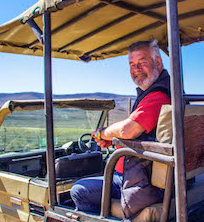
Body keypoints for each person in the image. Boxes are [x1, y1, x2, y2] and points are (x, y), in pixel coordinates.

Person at [70, 40, 171, 220]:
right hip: (141, 173)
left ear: (158, 63)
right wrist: (113, 140)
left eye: (142, 62)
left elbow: (127, 130)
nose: (136, 69)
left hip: (140, 182)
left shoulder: (158, 96)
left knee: (79, 190)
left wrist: (103, 133)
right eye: (132, 64)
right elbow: (139, 131)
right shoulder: (159, 93)